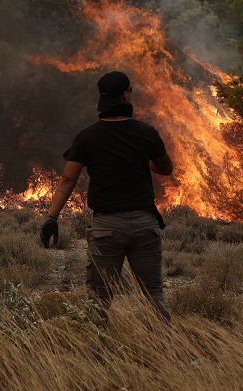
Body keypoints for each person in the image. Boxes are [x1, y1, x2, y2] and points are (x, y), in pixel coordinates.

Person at [42, 71, 174, 322]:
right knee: (154, 294)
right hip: (144, 225)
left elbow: (67, 179)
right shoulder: (146, 133)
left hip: (106, 228)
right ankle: (165, 352)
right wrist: (141, 157)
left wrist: (52, 217)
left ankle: (99, 355)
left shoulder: (86, 136)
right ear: (125, 95)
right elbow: (166, 169)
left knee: (99, 298)